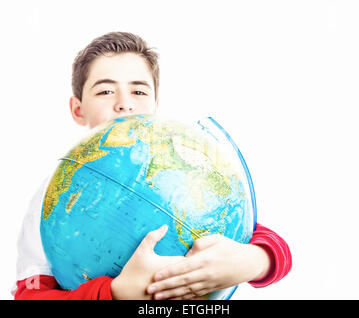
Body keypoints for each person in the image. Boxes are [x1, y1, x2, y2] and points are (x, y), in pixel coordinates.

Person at [13, 32, 292, 300]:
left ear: (155, 105)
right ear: (78, 109)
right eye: (106, 91)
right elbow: (29, 294)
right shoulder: (52, 198)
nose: (124, 104)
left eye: (138, 90)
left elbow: (270, 246)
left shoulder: (178, 168)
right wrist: (115, 293)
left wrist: (254, 261)